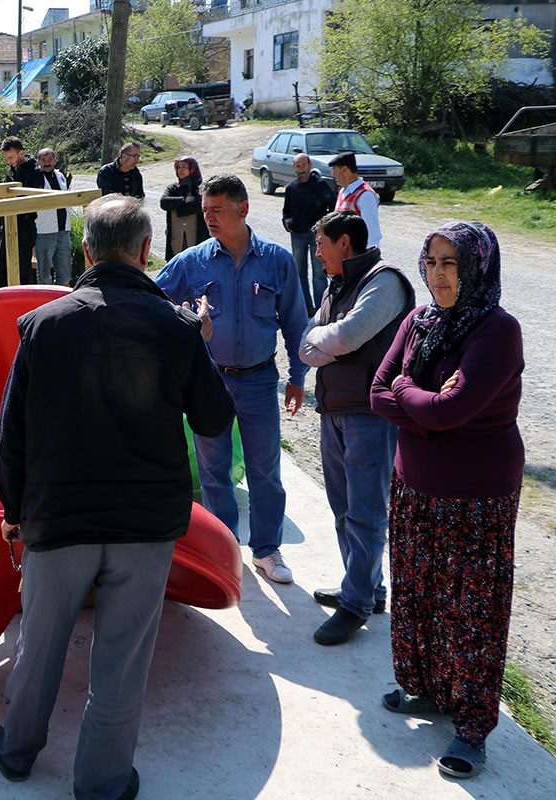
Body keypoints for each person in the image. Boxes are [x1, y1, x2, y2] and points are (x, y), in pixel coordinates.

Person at [0, 194, 234, 800]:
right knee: (121, 663)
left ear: (87, 250)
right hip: (144, 527)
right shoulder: (173, 328)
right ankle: (102, 783)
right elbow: (213, 419)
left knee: (39, 645)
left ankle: (17, 752)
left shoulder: (43, 325)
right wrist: (199, 339)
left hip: (58, 519)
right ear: (147, 251)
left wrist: (13, 515)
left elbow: (10, 435)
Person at [370, 221, 523, 780]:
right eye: (430, 261)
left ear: (477, 268)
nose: (437, 274)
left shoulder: (497, 332)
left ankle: (472, 726)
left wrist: (413, 398)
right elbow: (376, 391)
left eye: (450, 264)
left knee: (472, 609)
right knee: (419, 589)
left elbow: (443, 412)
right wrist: (425, 399)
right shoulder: (419, 319)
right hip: (415, 482)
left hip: (476, 496)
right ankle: (429, 689)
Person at [155, 174, 308, 584]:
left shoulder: (277, 261)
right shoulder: (192, 261)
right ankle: (223, 552)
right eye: (205, 211)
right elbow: (151, 298)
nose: (209, 219)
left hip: (259, 381)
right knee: (213, 472)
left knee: (265, 470)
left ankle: (267, 550)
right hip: (209, 382)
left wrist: (297, 376)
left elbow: (296, 323)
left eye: (217, 211)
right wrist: (188, 323)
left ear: (243, 209)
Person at [298, 211, 414, 645]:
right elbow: (306, 344)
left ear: (344, 242)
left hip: (369, 415)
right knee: (344, 509)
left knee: (365, 513)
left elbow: (347, 336)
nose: (317, 251)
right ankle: (367, 588)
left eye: (321, 243)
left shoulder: (385, 283)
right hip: (334, 410)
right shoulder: (336, 283)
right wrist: (327, 341)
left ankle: (355, 604)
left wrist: (327, 341)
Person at [283, 153, 336, 316]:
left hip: (317, 237)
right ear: (294, 167)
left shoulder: (321, 185)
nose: (301, 169)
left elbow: (332, 208)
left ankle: (321, 309)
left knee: (320, 273)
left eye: (304, 165)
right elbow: (286, 212)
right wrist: (287, 224)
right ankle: (306, 307)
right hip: (297, 235)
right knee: (299, 272)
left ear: (310, 164)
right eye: (298, 166)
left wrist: (324, 228)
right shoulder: (291, 188)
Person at [0, 136, 44, 286]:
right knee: (3, 268)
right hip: (8, 223)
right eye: (7, 158)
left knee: (23, 268)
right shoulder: (11, 171)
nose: (9, 161)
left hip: (25, 225)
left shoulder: (35, 172)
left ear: (21, 153)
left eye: (11, 157)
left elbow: (35, 200)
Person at [34, 148, 72, 286]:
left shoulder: (60, 176)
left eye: (50, 159)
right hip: (45, 230)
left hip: (63, 230)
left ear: (55, 160)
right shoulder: (35, 177)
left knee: (65, 272)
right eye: (43, 160)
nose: (47, 163)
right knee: (44, 274)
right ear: (38, 162)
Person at [328, 151, 381, 249]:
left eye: (334, 169)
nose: (333, 174)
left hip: (358, 256)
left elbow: (371, 234)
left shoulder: (365, 195)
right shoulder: (343, 191)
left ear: (344, 170)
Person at [158, 155, 208, 260]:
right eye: (178, 167)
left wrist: (176, 208)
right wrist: (184, 200)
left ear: (192, 168)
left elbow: (198, 206)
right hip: (176, 237)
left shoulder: (201, 187)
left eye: (184, 167)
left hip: (196, 236)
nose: (181, 170)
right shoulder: (173, 188)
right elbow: (164, 203)